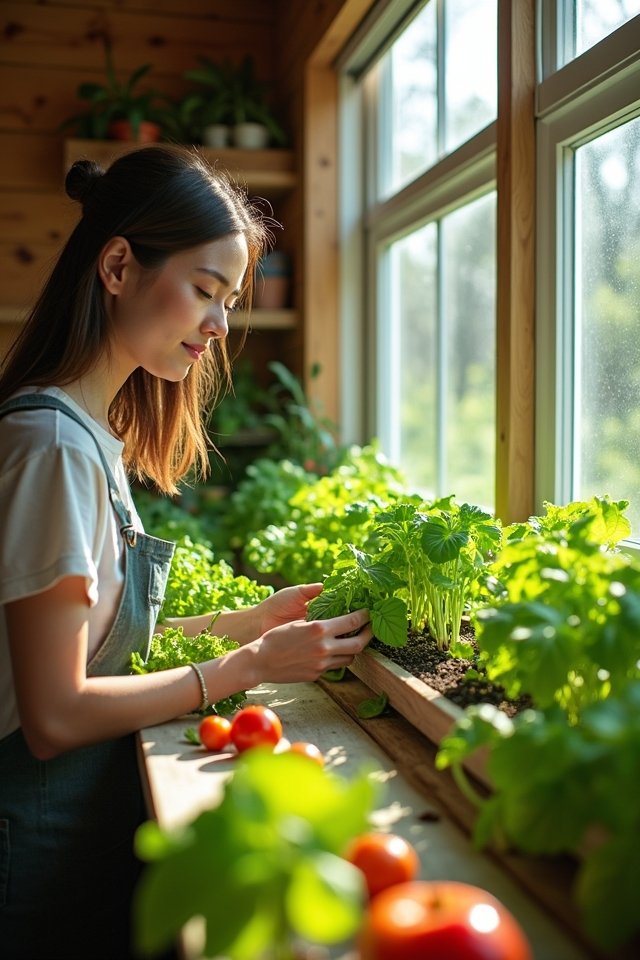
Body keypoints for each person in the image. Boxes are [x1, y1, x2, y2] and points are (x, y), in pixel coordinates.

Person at [0, 145, 372, 960]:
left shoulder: (92, 436)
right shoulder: (51, 448)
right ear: (119, 266)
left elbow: (96, 653)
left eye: (231, 300)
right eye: (206, 290)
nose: (220, 324)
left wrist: (243, 625)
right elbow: (55, 714)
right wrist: (245, 669)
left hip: (74, 833)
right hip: (28, 852)